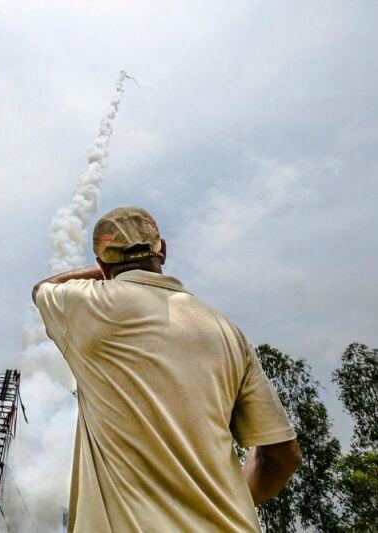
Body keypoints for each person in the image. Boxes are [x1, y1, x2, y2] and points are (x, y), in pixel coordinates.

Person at [32, 206, 302, 532]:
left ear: (102, 263)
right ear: (164, 250)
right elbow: (283, 456)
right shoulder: (228, 332)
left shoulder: (87, 307)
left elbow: (43, 289)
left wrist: (103, 269)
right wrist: (218, 505)